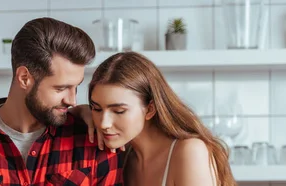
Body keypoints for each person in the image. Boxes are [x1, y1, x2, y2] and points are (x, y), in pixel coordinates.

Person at [0, 17, 124, 186]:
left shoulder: (93, 143)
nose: (72, 100)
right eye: (60, 88)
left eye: (76, 87)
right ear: (24, 78)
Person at [70, 51, 236, 186]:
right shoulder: (122, 154)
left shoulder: (189, 152)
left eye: (119, 111)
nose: (104, 124)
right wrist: (83, 112)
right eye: (97, 108)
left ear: (150, 109)